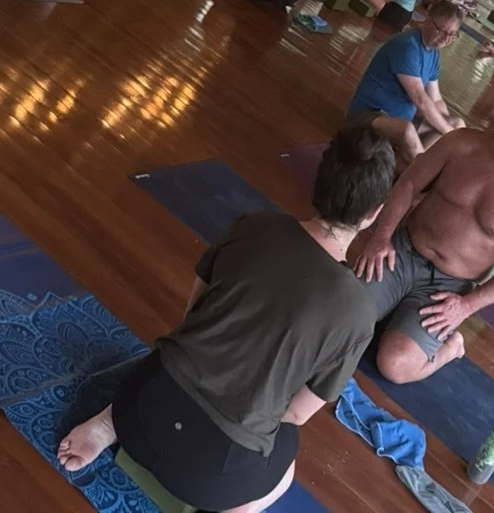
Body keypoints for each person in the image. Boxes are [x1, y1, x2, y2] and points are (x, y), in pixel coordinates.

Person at [57, 125, 396, 513]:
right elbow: (297, 413)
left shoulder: (254, 225)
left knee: (175, 360)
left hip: (139, 405)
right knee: (286, 454)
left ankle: (107, 423)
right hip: (210, 478)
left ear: (318, 182)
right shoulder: (358, 312)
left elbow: (191, 316)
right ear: (373, 214)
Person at [355, 93, 494, 384]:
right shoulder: (461, 142)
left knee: (395, 365)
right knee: (342, 319)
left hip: (448, 288)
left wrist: (466, 306)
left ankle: (450, 348)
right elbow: (408, 183)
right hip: (403, 252)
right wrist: (381, 236)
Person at [346, 0, 465, 163]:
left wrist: (450, 131)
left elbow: (436, 99)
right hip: (367, 117)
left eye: (452, 35)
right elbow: (421, 100)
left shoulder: (434, 54)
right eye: (442, 31)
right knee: (408, 131)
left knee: (457, 124)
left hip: (399, 119)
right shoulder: (407, 45)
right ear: (428, 21)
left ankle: (409, 169)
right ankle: (417, 176)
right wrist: (448, 133)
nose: (446, 39)